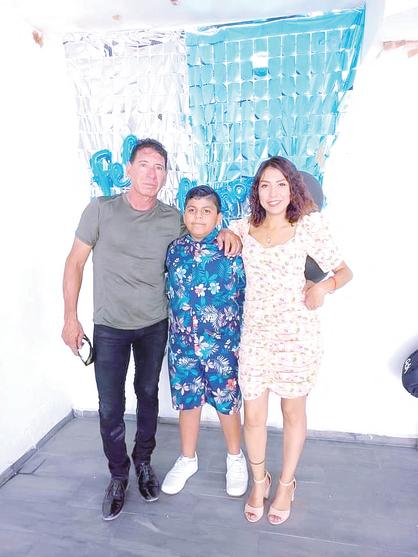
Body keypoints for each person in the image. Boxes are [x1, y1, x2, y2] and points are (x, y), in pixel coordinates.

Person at [61, 138, 240, 521]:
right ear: (129, 168)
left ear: (164, 175)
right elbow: (74, 263)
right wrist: (70, 318)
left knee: (147, 395)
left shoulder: (172, 218)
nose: (151, 173)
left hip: (154, 325)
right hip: (109, 326)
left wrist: (230, 233)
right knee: (110, 405)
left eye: (159, 167)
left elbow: (202, 230)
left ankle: (143, 463)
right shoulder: (100, 210)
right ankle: (118, 475)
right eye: (144, 164)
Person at [229, 156, 353, 525]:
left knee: (292, 412)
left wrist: (322, 288)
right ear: (257, 191)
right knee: (253, 415)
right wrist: (224, 234)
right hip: (255, 335)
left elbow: (344, 271)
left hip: (296, 335)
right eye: (265, 185)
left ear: (292, 189)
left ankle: (285, 484)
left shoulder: (307, 226)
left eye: (281, 184)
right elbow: (222, 237)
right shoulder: (244, 228)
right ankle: (259, 481)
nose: (273, 193)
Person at [161, 186, 248, 497]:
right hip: (184, 345)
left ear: (218, 217)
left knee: (227, 402)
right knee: (189, 402)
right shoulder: (175, 250)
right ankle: (187, 459)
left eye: (206, 211)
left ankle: (235, 458)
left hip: (223, 346)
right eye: (192, 210)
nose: (198, 217)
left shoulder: (232, 250)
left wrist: (233, 233)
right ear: (184, 213)